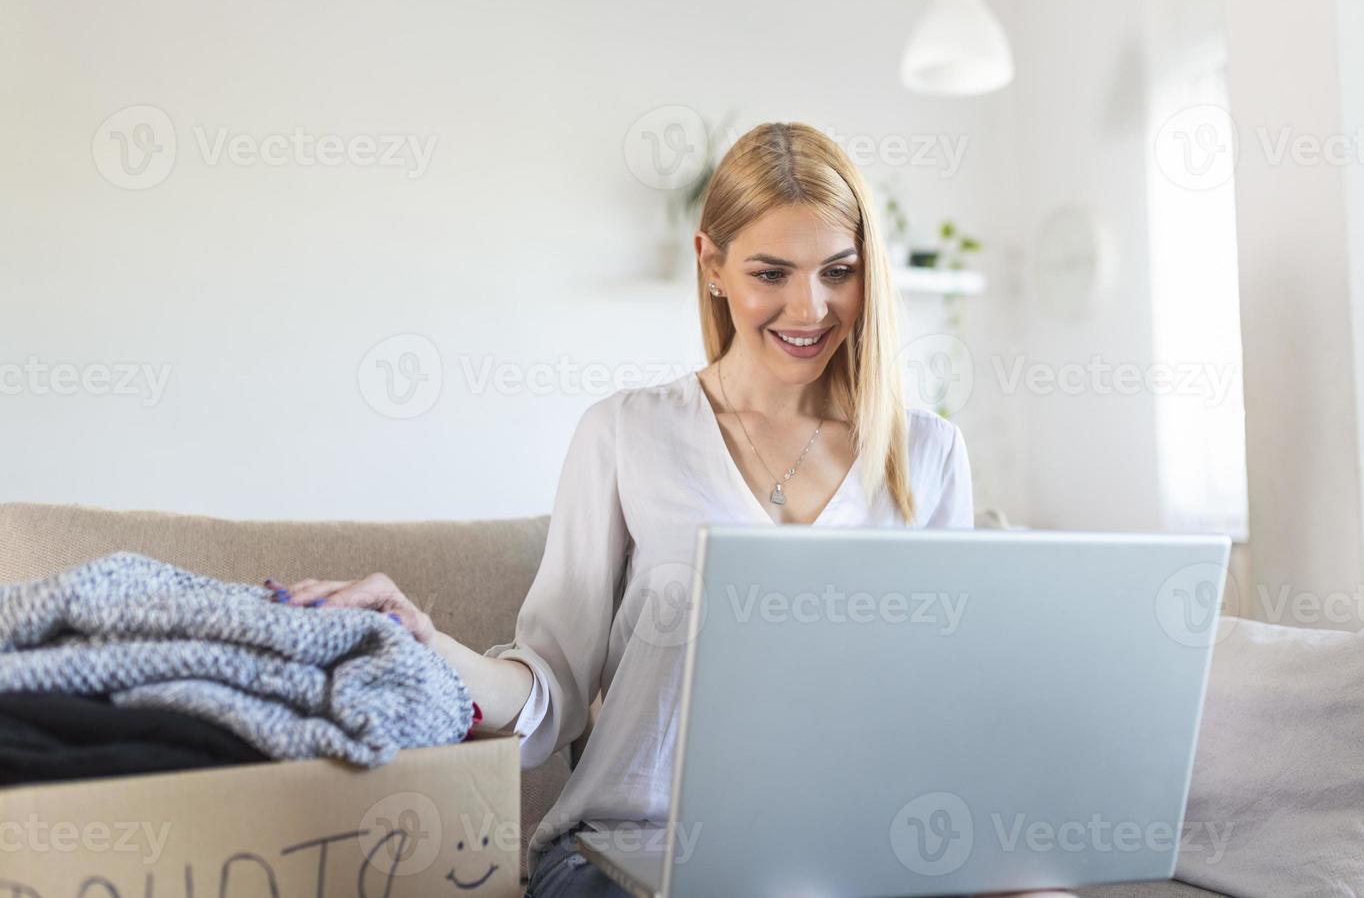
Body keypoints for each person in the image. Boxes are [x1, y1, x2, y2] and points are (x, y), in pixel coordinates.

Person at [274, 122, 1073, 898]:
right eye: (771, 274)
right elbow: (548, 682)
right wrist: (432, 647)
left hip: (847, 852)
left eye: (838, 271)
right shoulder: (627, 433)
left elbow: (946, 705)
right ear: (713, 265)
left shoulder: (926, 455)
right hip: (632, 851)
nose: (810, 309)